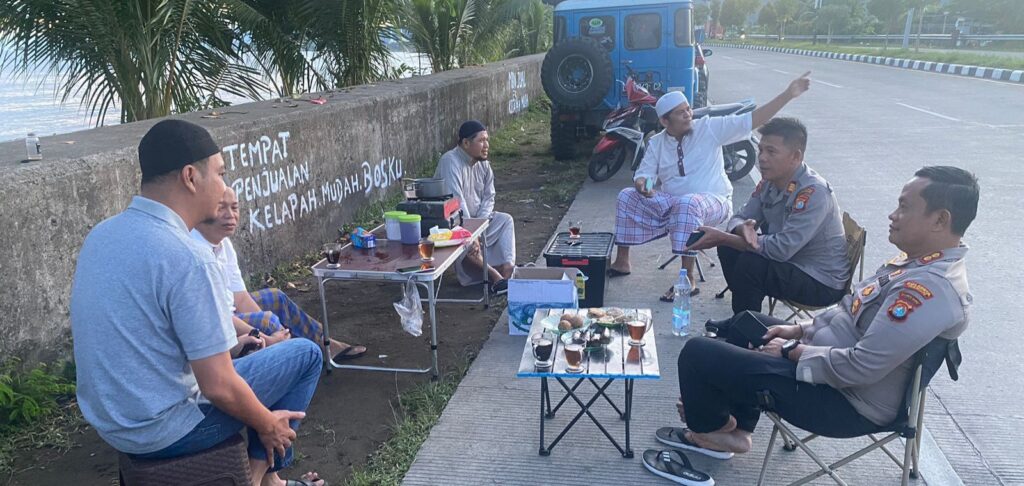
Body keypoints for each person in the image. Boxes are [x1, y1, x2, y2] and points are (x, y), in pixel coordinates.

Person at [654, 167, 976, 470]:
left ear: (940, 220)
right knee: (745, 323)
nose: (893, 215)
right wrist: (797, 329)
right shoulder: (915, 265)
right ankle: (730, 427)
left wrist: (790, 351)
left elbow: (861, 366)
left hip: (843, 400)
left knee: (698, 354)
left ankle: (708, 431)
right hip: (825, 367)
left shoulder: (930, 289)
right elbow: (847, 312)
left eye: (904, 207)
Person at [70, 119, 325, 486]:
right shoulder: (187, 256)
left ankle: (270, 481)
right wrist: (268, 424)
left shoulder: (102, 235)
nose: (223, 187)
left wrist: (239, 344)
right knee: (305, 354)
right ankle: (257, 479)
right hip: (167, 429)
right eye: (220, 174)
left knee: (250, 356)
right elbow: (218, 386)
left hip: (113, 423)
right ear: (190, 177)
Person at [607, 73, 813, 301]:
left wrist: (787, 95)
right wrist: (644, 185)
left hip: (714, 201)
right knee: (627, 196)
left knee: (687, 204)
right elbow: (645, 174)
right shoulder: (657, 142)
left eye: (688, 109)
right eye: (681, 112)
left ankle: (688, 278)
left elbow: (750, 120)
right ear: (665, 121)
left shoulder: (708, 128)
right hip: (673, 203)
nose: (688, 114)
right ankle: (622, 261)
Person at [688, 117, 849, 315]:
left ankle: (747, 329)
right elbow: (739, 217)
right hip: (791, 263)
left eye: (771, 152)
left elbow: (781, 249)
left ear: (796, 156)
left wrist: (726, 238)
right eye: (761, 150)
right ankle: (743, 319)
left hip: (820, 280)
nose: (762, 158)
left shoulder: (813, 192)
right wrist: (741, 228)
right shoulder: (770, 182)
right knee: (729, 248)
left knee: (750, 265)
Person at [192, 187, 367, 362]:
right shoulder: (195, 255)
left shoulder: (224, 244)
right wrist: (267, 335)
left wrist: (271, 331)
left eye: (234, 207)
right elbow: (217, 318)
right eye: (221, 207)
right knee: (268, 321)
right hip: (216, 324)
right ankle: (297, 360)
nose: (230, 215)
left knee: (276, 298)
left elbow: (241, 297)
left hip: (230, 312)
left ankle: (324, 343)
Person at [434, 120, 516, 294]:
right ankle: (495, 277)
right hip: (453, 224)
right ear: (466, 143)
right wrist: (473, 232)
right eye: (481, 141)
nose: (486, 145)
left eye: (487, 140)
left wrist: (480, 225)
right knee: (468, 240)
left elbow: (489, 197)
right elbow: (457, 203)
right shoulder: (450, 161)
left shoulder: (483, 164)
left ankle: (508, 269)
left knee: (505, 220)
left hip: (477, 222)